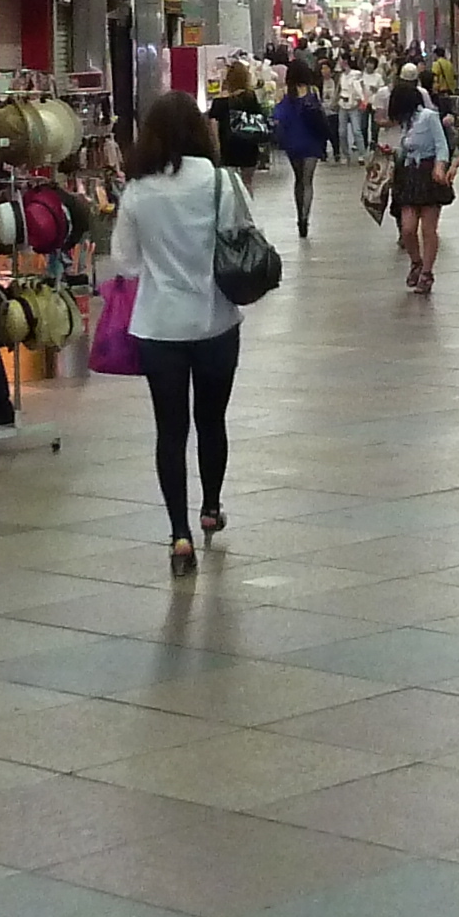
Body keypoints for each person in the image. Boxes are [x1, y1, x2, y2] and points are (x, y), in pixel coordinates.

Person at [105, 92, 256, 573]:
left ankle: (179, 535)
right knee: (212, 421)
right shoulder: (221, 183)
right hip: (216, 320)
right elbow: (241, 233)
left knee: (170, 431)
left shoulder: (137, 192)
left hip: (159, 326)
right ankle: (211, 508)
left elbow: (125, 262)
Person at [388, 76, 454, 294]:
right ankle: (416, 261)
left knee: (428, 229)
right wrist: (394, 153)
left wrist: (439, 167)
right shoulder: (406, 123)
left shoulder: (429, 117)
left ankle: (426, 272)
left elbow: (441, 145)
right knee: (407, 228)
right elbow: (406, 148)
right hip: (408, 174)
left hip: (428, 174)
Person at [269, 61, 335, 237]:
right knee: (308, 181)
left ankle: (299, 216)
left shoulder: (284, 92)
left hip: (292, 139)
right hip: (311, 139)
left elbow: (277, 117)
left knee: (298, 180)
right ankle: (305, 217)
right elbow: (319, 114)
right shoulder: (313, 91)